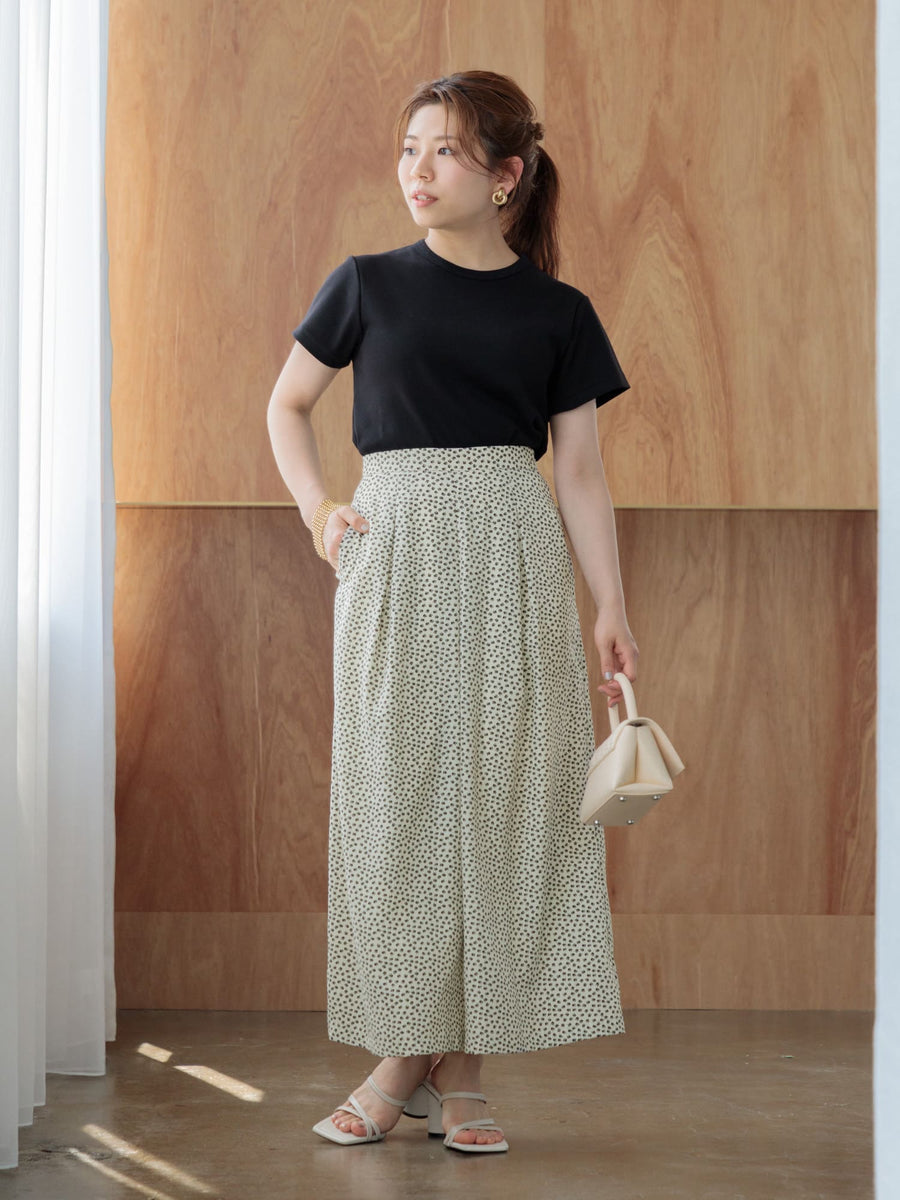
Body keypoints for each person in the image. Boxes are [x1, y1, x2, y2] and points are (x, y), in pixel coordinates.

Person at [267, 70, 639, 1155]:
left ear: (507, 176)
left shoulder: (559, 313)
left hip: (515, 560)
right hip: (395, 555)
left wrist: (611, 607)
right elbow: (287, 404)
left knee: (511, 806)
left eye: (444, 150)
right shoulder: (367, 284)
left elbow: (580, 472)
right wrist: (319, 510)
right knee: (398, 804)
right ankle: (404, 1051)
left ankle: (461, 1070)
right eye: (409, 148)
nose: (416, 170)